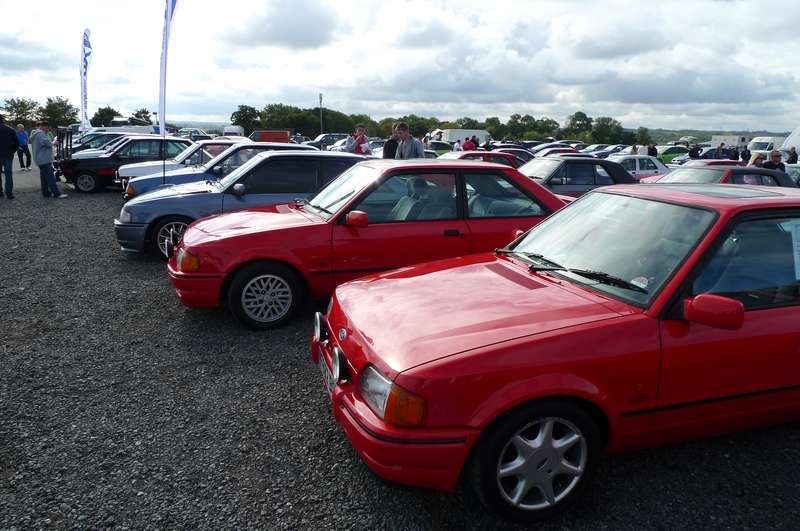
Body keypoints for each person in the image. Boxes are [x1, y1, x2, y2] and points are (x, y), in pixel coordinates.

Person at [31, 121, 67, 198]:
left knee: (44, 178)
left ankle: (46, 193)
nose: (48, 130)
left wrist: (52, 143)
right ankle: (57, 194)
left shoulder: (36, 133)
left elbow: (45, 143)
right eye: (48, 128)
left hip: (40, 159)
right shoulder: (40, 134)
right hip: (44, 159)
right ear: (44, 127)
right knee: (51, 177)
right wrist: (54, 143)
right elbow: (47, 143)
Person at [0, 114, 19, 198]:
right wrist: (12, 152)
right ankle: (9, 193)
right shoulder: (10, 129)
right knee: (8, 174)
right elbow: (16, 143)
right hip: (8, 155)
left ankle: (0, 192)